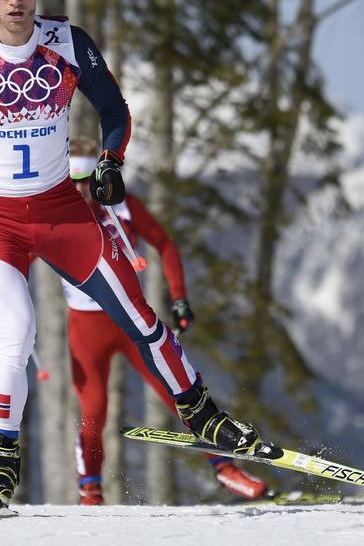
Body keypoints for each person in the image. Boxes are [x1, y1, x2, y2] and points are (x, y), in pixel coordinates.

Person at [0, 0, 262, 511]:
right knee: (18, 331)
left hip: (60, 210)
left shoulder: (67, 43)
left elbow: (115, 109)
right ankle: (0, 464)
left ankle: (202, 415)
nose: (16, 2)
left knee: (139, 314)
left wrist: (110, 161)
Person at [63, 141, 269, 505]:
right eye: (72, 181)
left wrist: (179, 297)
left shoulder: (122, 205)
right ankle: (90, 491)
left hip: (129, 321)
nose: (81, 189)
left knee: (179, 392)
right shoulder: (58, 212)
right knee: (93, 410)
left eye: (86, 180)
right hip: (86, 328)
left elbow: (165, 245)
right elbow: (19, 255)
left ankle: (226, 469)